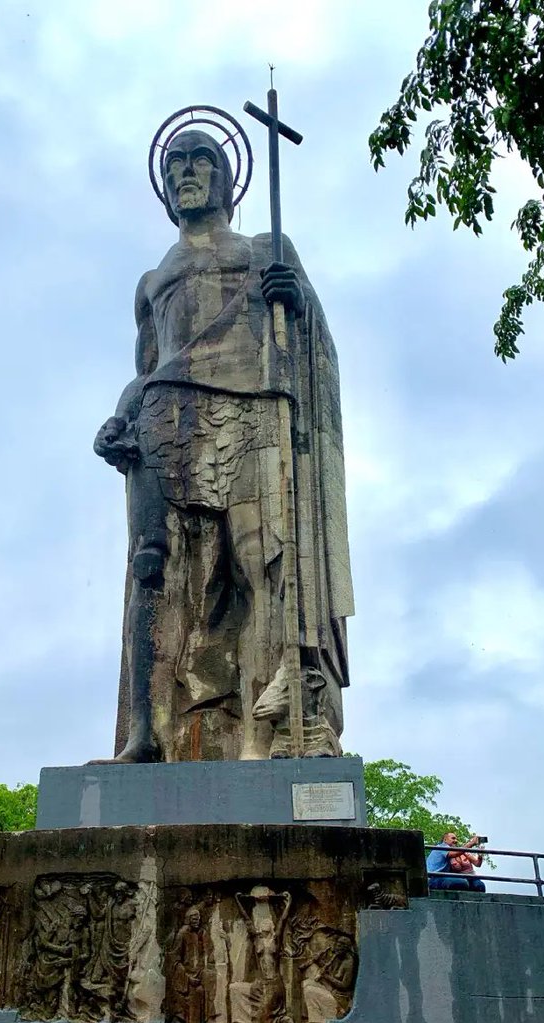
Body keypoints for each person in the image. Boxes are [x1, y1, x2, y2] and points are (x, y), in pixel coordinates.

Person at [93, 117, 354, 763]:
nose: (187, 169)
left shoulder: (268, 248)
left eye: (201, 158)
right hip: (171, 424)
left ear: (227, 175)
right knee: (157, 575)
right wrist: (119, 418)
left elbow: (313, 343)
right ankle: (146, 734)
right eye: (176, 161)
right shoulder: (152, 280)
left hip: (255, 413)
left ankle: (272, 733)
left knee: (262, 565)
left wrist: (298, 301)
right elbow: (149, 367)